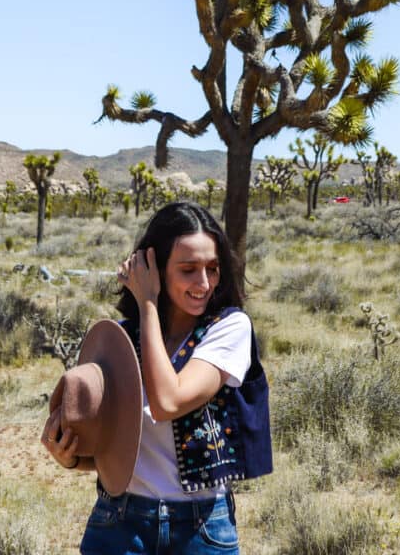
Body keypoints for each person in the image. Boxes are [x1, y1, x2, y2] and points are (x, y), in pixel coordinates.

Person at [41, 201, 271, 555]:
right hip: (119, 521)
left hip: (201, 527)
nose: (204, 283)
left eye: (212, 268)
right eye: (188, 269)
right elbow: (110, 449)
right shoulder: (119, 340)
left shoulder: (228, 328)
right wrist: (70, 455)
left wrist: (147, 302)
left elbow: (168, 402)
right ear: (156, 268)